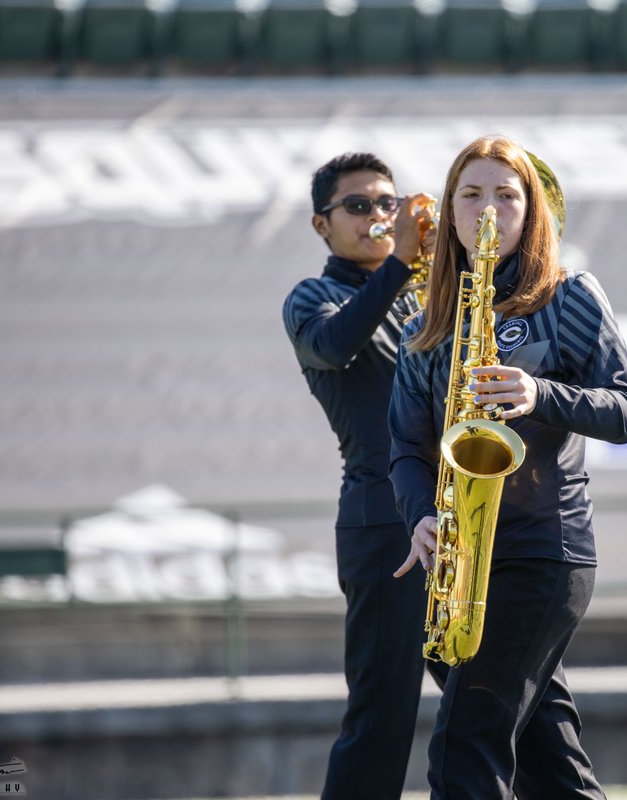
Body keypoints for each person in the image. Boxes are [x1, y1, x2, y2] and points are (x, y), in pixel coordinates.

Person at [389, 134, 627, 799]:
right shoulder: (426, 324)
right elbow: (407, 449)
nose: (488, 209)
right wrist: (419, 515)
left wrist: (541, 394)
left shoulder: (571, 295)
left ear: (532, 211)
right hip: (461, 558)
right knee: (552, 772)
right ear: (449, 214)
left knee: (462, 750)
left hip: (544, 552)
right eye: (470, 194)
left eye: (507, 194)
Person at [281, 152, 442, 800]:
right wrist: (403, 261)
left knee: (491, 705)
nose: (378, 216)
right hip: (382, 524)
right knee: (382, 719)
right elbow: (335, 344)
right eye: (359, 206)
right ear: (322, 225)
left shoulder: (424, 293)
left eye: (387, 203)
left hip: (453, 516)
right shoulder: (312, 298)